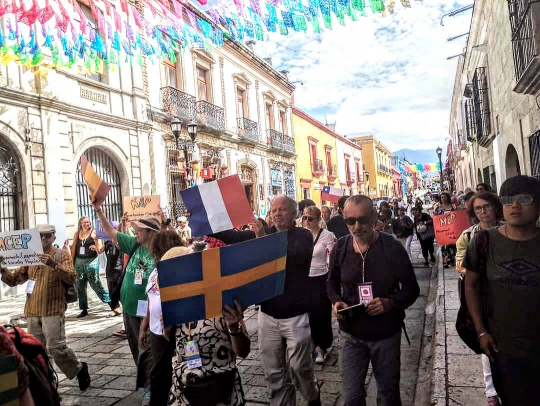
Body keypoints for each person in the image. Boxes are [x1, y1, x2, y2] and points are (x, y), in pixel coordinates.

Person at [207, 196, 321, 406]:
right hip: (268, 314)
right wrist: (204, 222)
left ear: (295, 214)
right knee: (274, 372)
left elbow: (290, 259)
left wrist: (261, 241)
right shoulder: (265, 233)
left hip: (296, 315)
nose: (277, 213)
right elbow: (232, 236)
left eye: (283, 209)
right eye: (274, 210)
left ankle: (313, 396)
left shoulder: (303, 236)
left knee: (299, 368)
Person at [327, 195, 420, 406]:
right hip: (351, 334)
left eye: (363, 220)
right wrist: (336, 301)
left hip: (385, 334)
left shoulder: (392, 248)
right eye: (351, 221)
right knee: (351, 398)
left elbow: (412, 289)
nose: (357, 226)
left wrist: (389, 303)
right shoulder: (340, 247)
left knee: (388, 397)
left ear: (375, 217)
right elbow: (331, 283)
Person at [463, 176, 540, 406]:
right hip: (504, 348)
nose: (515, 206)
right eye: (509, 200)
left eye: (524, 199)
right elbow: (471, 285)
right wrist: (481, 332)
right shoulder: (484, 241)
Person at [0, 224, 91, 392]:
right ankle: (46, 380)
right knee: (36, 351)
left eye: (47, 236)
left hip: (53, 309)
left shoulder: (61, 254)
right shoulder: (29, 256)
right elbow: (15, 279)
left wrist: (53, 264)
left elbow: (71, 276)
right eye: (40, 236)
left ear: (53, 238)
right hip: (33, 310)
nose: (43, 239)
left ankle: (78, 368)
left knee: (56, 347)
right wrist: (3, 268)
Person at [165, 247, 251, 406]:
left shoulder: (224, 303)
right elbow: (172, 348)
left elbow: (243, 351)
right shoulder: (175, 307)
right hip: (185, 393)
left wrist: (234, 328)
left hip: (223, 392)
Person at [93, 203, 158, 406]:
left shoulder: (160, 253)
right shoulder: (134, 245)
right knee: (137, 349)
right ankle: (148, 383)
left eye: (140, 229)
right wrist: (99, 212)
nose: (135, 231)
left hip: (149, 311)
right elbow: (111, 232)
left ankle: (151, 387)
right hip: (129, 308)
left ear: (151, 232)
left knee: (148, 349)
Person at [455, 192, 503, 406]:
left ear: (495, 208)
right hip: (482, 295)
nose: (483, 212)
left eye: (487, 207)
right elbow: (460, 265)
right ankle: (491, 392)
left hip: (506, 293)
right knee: (487, 339)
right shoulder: (468, 236)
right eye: (478, 209)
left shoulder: (508, 230)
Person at [139, 232, 185, 406]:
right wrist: (144, 327)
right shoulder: (154, 272)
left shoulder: (181, 274)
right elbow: (151, 300)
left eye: (160, 254)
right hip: (156, 333)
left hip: (175, 333)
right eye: (156, 255)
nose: (157, 258)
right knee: (160, 372)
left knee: (175, 373)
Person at [302, 206, 336, 364]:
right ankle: (312, 344)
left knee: (321, 314)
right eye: (304, 217)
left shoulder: (327, 236)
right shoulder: (302, 235)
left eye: (310, 218)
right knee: (307, 315)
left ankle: (323, 346)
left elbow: (332, 257)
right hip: (304, 279)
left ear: (318, 220)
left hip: (321, 278)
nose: (306, 221)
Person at [70, 216, 114, 318]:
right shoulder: (77, 234)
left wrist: (96, 246)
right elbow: (73, 249)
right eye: (85, 222)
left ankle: (111, 303)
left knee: (95, 283)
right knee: (80, 286)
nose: (87, 224)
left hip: (92, 260)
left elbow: (99, 249)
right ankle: (84, 308)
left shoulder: (94, 232)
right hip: (79, 261)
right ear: (81, 224)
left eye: (88, 222)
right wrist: (72, 263)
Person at [435, 192, 457, 268]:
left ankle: (452, 259)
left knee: (453, 245)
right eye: (442, 197)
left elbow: (457, 215)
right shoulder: (438, 207)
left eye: (444, 197)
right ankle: (445, 261)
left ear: (447, 197)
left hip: (452, 228)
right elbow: (435, 218)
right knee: (444, 246)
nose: (443, 198)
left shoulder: (453, 206)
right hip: (443, 229)